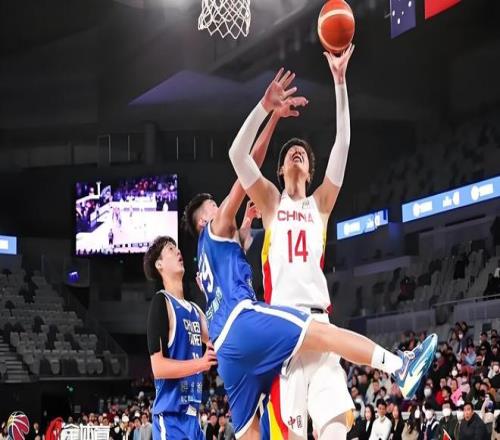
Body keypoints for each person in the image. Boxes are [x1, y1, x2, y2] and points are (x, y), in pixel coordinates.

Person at [184, 68, 436, 439]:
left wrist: (340, 80)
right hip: (282, 335)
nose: (296, 152)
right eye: (289, 153)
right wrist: (265, 108)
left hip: (319, 325)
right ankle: (399, 365)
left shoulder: (321, 204)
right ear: (280, 170)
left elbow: (343, 143)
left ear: (310, 170)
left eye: (301, 153)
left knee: (335, 429)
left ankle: (401, 367)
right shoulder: (270, 203)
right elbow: (239, 155)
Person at [144, 236, 217, 440]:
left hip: (193, 421)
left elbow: (217, 338)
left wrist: (210, 296)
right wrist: (201, 363)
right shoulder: (162, 302)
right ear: (159, 264)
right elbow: (158, 368)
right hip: (171, 420)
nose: (178, 251)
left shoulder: (194, 310)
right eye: (170, 249)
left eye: (177, 248)